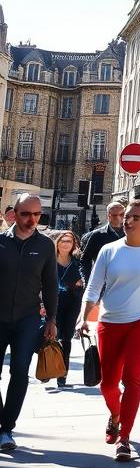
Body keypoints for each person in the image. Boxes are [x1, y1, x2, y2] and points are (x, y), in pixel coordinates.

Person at [77, 199, 140, 463]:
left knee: (132, 378)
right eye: (127, 217)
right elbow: (94, 287)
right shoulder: (109, 250)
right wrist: (83, 317)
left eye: (135, 217)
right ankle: (115, 415)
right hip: (109, 321)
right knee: (107, 384)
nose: (129, 221)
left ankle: (125, 438)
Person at [0, 193, 58, 451]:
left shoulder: (45, 245)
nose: (32, 219)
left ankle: (6, 429)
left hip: (27, 318)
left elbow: (50, 285)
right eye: (26, 214)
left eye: (37, 215)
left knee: (19, 372)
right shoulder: (1, 241)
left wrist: (52, 320)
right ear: (14, 212)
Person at [50, 229, 85, 388]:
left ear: (73, 244)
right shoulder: (49, 259)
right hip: (53, 301)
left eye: (69, 241)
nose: (66, 244)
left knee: (67, 338)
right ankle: (49, 368)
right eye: (63, 241)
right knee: (53, 336)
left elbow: (83, 278)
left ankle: (62, 375)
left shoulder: (77, 260)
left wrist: (80, 284)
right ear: (58, 243)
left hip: (72, 301)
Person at [80, 201, 126, 284]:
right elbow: (86, 259)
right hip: (103, 282)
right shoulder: (97, 235)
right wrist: (88, 280)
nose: (119, 218)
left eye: (122, 214)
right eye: (115, 215)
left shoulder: (132, 234)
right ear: (108, 216)